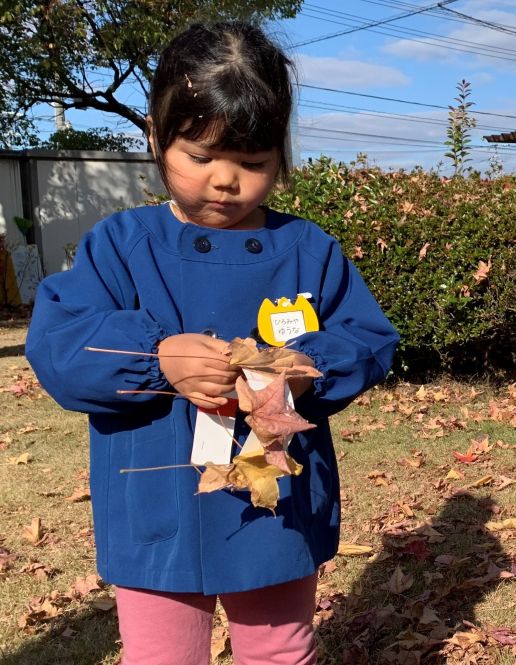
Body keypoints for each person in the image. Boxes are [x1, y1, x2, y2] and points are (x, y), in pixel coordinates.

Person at [26, 22, 399, 665]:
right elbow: (60, 344)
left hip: (275, 493)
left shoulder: (308, 249)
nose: (225, 181)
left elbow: (367, 336)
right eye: (200, 157)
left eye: (252, 164)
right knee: (161, 655)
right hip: (155, 494)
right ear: (155, 137)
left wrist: (305, 369)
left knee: (281, 648)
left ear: (280, 154)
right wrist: (156, 355)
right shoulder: (121, 244)